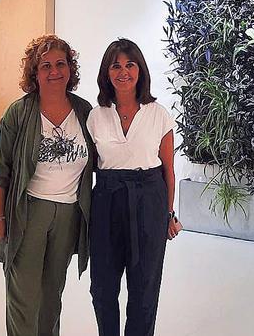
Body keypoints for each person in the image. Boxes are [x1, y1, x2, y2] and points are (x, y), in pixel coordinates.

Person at [0, 34, 97, 336]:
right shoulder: (18, 114)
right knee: (24, 296)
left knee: (51, 295)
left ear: (70, 69)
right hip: (28, 213)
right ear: (34, 73)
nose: (54, 71)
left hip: (69, 214)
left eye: (61, 64)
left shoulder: (85, 112)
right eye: (45, 65)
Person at [87, 38, 182, 336]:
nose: (123, 71)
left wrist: (168, 214)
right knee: (102, 288)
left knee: (143, 290)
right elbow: (86, 167)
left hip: (149, 199)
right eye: (116, 66)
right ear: (107, 72)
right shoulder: (96, 115)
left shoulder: (158, 113)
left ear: (140, 70)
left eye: (130, 64)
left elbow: (169, 171)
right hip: (106, 200)